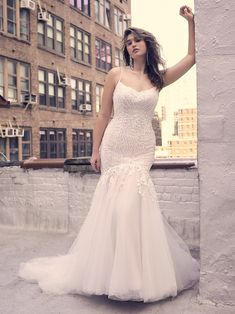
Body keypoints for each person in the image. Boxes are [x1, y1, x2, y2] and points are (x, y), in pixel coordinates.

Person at [19, 5, 199, 303]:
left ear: (147, 45)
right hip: (115, 144)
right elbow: (103, 115)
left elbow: (192, 58)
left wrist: (190, 23)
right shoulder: (116, 74)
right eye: (128, 42)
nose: (132, 44)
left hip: (141, 149)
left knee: (132, 208)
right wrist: (95, 149)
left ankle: (137, 278)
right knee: (116, 210)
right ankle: (114, 274)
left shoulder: (157, 79)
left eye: (137, 39)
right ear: (126, 50)